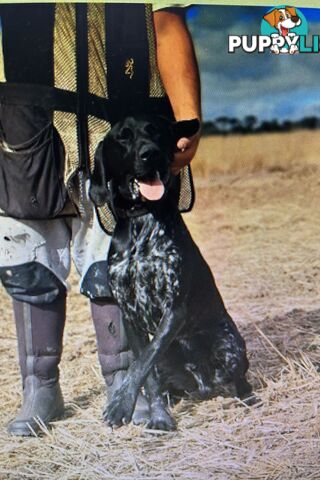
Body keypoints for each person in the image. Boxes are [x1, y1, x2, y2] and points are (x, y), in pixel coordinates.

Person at [0, 3, 201, 436]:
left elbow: (166, 21)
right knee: (27, 251)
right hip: (21, 115)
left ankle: (128, 380)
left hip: (115, 116)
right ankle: (40, 389)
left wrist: (190, 122)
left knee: (110, 253)